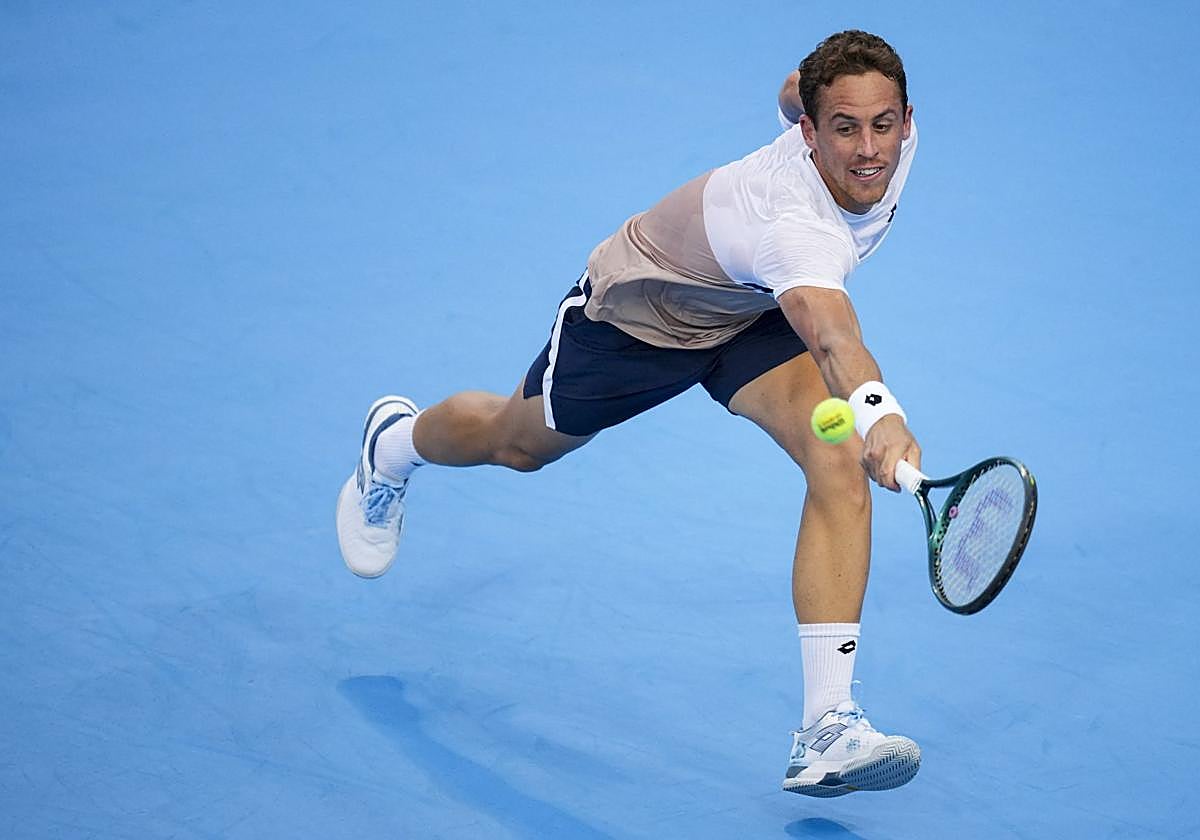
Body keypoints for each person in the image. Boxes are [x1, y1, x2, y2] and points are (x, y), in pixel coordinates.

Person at [336, 30, 923, 797]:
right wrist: (881, 417)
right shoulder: (795, 228)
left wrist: (800, 97)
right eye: (843, 127)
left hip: (748, 308)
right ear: (811, 134)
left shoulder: (878, 142)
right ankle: (394, 444)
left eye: (882, 124)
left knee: (834, 458)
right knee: (517, 445)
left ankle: (826, 730)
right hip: (641, 314)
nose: (869, 149)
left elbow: (794, 88)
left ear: (907, 119)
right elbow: (833, 336)